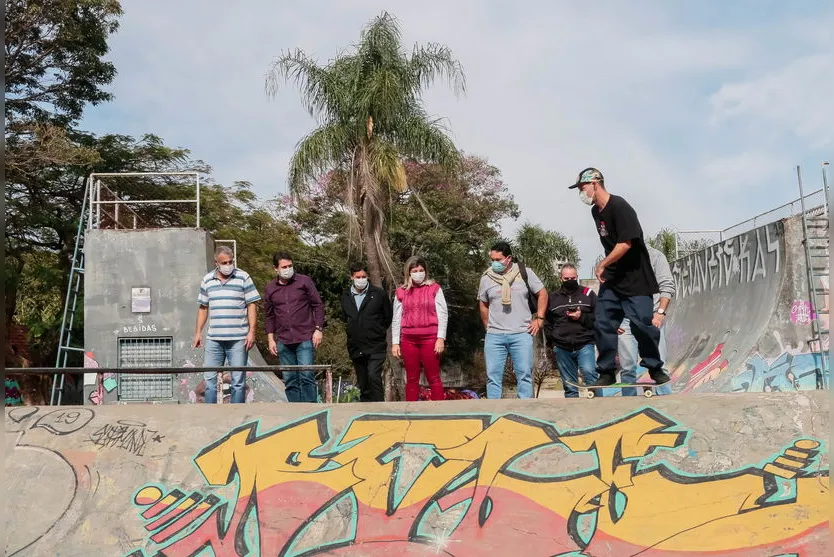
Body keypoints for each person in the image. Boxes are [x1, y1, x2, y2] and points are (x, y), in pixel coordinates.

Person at [569, 167, 670, 388]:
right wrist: (608, 268)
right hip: (614, 279)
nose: (581, 192)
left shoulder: (620, 207)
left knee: (642, 325)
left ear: (595, 183)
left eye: (582, 187)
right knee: (603, 321)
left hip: (636, 277)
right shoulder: (596, 212)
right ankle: (605, 371)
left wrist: (603, 263)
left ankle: (654, 367)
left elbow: (626, 243)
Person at [478, 241, 548, 399]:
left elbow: (542, 294)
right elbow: (483, 304)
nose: (495, 263)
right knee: (493, 377)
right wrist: (487, 326)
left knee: (524, 375)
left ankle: (525, 412)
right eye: (492, 260)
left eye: (498, 259)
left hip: (521, 333)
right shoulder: (486, 277)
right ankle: (494, 413)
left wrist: (539, 319)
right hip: (495, 335)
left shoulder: (524, 273)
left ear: (508, 258)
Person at [193, 246, 260, 404]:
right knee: (210, 381)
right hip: (214, 339)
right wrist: (198, 332)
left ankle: (237, 416)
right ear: (216, 262)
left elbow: (252, 305)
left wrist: (252, 332)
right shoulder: (207, 280)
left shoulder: (243, 277)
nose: (228, 265)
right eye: (224, 262)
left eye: (230, 262)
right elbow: (203, 307)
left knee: (237, 381)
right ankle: (211, 414)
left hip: (238, 339)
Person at [263, 251, 325, 403]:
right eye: (284, 267)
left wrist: (318, 329)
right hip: (283, 340)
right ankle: (295, 412)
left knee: (306, 376)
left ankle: (311, 411)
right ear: (275, 268)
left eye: (290, 265)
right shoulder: (270, 289)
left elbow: (317, 305)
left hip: (304, 337)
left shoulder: (304, 282)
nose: (288, 269)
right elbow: (269, 315)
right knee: (290, 379)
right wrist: (270, 339)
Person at [617, 244, 676, 396]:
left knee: (659, 365)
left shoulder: (655, 256)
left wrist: (660, 313)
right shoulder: (618, 257)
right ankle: (630, 406)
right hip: (625, 320)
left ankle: (667, 403)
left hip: (650, 318)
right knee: (627, 368)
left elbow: (667, 286)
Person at [391, 256, 448, 402]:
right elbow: (396, 318)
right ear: (408, 273)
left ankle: (439, 412)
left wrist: (440, 338)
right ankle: (411, 412)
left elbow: (443, 314)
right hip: (408, 339)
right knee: (411, 378)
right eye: (415, 270)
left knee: (433, 376)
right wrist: (395, 342)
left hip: (430, 338)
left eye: (421, 270)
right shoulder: (401, 292)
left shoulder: (434, 288)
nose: (418, 273)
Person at [340, 262, 393, 402]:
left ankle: (380, 409)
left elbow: (388, 317)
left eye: (364, 276)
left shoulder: (379, 294)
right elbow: (346, 318)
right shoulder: (346, 296)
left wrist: (377, 331)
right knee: (363, 383)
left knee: (373, 376)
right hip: (356, 346)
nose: (361, 279)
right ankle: (365, 411)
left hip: (375, 346)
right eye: (358, 276)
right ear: (352, 277)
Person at [545, 263, 599, 398]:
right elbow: (547, 322)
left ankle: (599, 408)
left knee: (590, 375)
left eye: (573, 278)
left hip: (584, 343)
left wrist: (582, 317)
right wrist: (552, 343)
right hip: (562, 347)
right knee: (570, 386)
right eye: (566, 279)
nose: (570, 281)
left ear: (577, 277)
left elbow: (599, 318)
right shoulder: (553, 298)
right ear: (561, 278)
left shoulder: (588, 294)